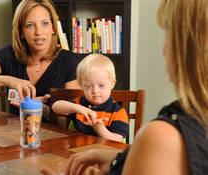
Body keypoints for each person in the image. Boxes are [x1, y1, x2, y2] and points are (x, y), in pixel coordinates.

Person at [40, 0, 208, 174]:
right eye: (89, 86)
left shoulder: (161, 136)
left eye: (168, 34)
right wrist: (119, 159)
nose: (164, 48)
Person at [0, 0, 81, 117]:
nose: (39, 32)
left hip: (58, 138)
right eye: (30, 25)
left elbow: (74, 119)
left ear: (53, 28)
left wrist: (44, 109)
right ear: (21, 32)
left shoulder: (71, 62)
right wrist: (6, 80)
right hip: (14, 136)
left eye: (45, 23)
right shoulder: (7, 55)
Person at [52, 54, 128, 142]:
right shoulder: (79, 104)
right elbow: (56, 107)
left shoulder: (118, 112)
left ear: (112, 84)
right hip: (78, 151)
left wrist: (99, 127)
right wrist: (77, 108)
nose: (95, 91)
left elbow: (116, 141)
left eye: (101, 85)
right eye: (88, 86)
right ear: (81, 85)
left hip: (105, 153)